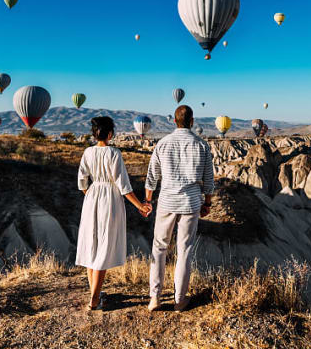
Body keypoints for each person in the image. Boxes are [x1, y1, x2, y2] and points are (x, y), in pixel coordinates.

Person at [76, 116, 152, 310]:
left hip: (92, 198)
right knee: (104, 246)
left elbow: (82, 182)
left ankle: (94, 292)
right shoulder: (114, 153)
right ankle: (94, 298)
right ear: (110, 134)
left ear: (94, 134)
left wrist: (92, 194)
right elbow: (124, 186)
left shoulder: (87, 152)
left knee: (91, 244)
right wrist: (140, 205)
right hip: (110, 198)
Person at [144, 104, 214, 312]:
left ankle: (155, 298)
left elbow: (152, 176)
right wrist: (207, 202)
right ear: (192, 122)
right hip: (191, 203)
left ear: (174, 121)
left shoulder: (163, 144)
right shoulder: (202, 145)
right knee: (184, 251)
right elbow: (208, 180)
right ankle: (179, 300)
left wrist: (148, 200)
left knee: (159, 248)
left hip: (166, 201)